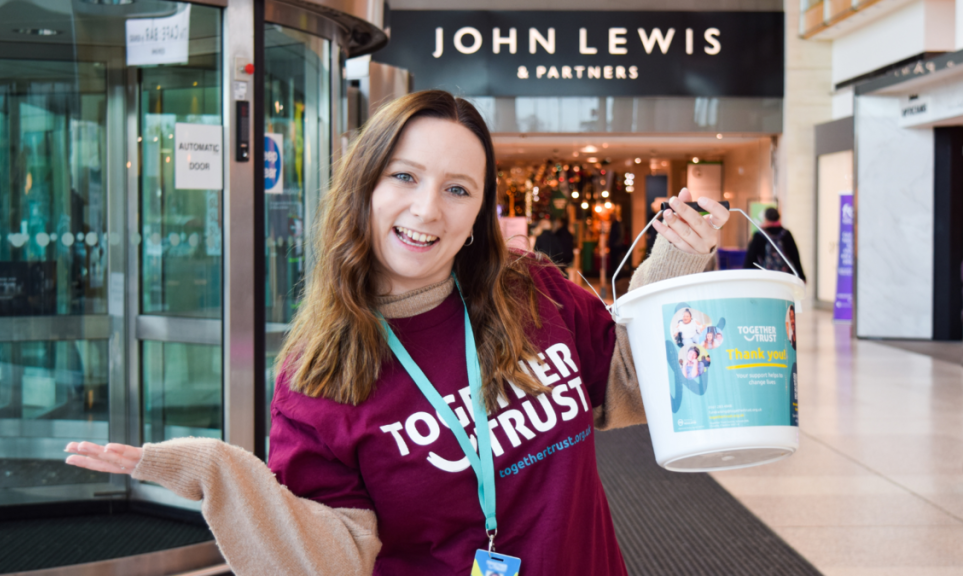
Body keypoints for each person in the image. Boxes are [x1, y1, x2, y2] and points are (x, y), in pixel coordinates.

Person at [64, 90, 729, 576]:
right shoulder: (319, 375)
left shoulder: (529, 289)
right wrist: (221, 473)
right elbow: (333, 556)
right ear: (364, 186)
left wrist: (672, 265)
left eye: (458, 189)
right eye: (405, 177)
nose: (426, 210)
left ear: (479, 212)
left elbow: (628, 385)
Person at [743, 207, 806, 282]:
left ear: (765, 218)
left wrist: (747, 276)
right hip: (785, 276)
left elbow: (750, 258)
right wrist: (801, 276)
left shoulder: (759, 235)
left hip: (765, 276)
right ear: (778, 218)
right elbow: (795, 256)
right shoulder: (786, 234)